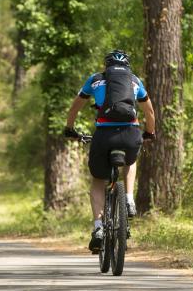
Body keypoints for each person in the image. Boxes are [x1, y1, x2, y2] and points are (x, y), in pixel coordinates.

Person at [64, 50, 156, 253]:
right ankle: (129, 199)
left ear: (106, 65)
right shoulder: (134, 81)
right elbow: (149, 111)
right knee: (131, 160)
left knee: (98, 180)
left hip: (103, 136)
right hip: (130, 134)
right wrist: (149, 133)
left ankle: (98, 228)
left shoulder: (95, 80)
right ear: (127, 66)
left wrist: (70, 130)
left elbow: (74, 109)